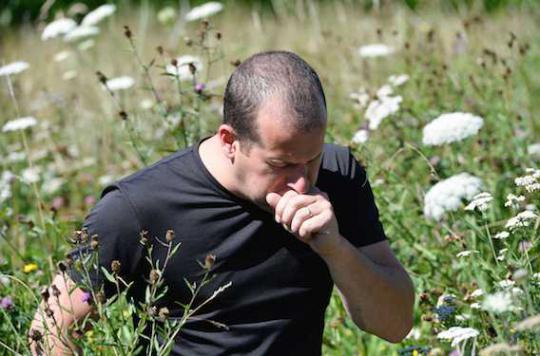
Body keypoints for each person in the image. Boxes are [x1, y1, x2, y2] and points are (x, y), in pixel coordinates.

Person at [30, 51, 414, 355]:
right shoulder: (140, 207)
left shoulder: (338, 175)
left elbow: (394, 325)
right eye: (280, 164)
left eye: (311, 158)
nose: (301, 181)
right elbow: (50, 329)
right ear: (230, 141)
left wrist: (336, 249)